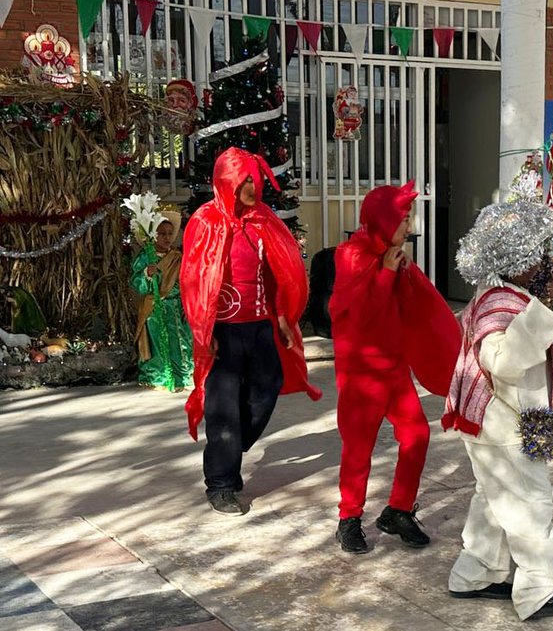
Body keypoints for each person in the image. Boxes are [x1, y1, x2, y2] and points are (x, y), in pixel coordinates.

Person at [442, 197, 553, 621]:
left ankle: (476, 573)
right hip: (504, 421)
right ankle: (540, 589)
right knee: (529, 503)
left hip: (497, 421)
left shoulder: (499, 295)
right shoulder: (500, 302)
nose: (544, 261)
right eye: (538, 252)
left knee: (494, 500)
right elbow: (502, 363)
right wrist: (536, 323)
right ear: (516, 255)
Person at [181, 147, 321, 516]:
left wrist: (282, 319)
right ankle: (222, 484)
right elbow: (194, 279)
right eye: (242, 179)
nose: (250, 185)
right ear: (226, 181)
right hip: (223, 331)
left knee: (267, 388)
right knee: (222, 409)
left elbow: (277, 273)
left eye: (253, 178)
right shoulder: (205, 220)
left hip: (259, 325)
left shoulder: (263, 220)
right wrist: (203, 328)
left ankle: (231, 445)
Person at [329, 182, 461, 554]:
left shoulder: (394, 254)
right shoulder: (350, 255)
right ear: (384, 221)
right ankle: (349, 519)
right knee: (359, 448)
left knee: (417, 434)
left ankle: (398, 511)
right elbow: (359, 316)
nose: (409, 227)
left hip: (393, 367)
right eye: (404, 220)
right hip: (361, 371)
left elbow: (418, 309)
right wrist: (386, 272)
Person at [131, 211, 192, 391]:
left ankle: (183, 376)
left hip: (176, 305)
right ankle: (159, 376)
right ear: (153, 235)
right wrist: (146, 275)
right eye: (162, 233)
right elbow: (136, 283)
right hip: (155, 307)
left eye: (169, 234)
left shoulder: (176, 256)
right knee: (157, 343)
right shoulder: (145, 257)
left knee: (182, 340)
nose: (167, 238)